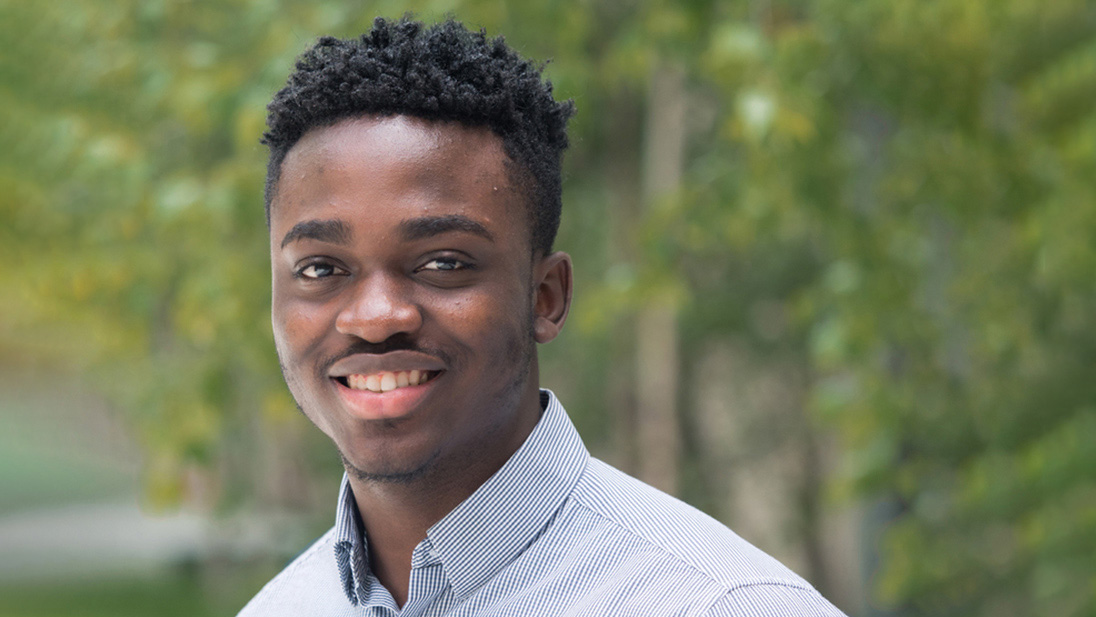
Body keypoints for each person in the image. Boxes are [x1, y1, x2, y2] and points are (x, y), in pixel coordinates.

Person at [238, 16, 846, 617]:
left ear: (546, 297)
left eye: (443, 263)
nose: (375, 318)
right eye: (320, 269)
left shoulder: (722, 605)